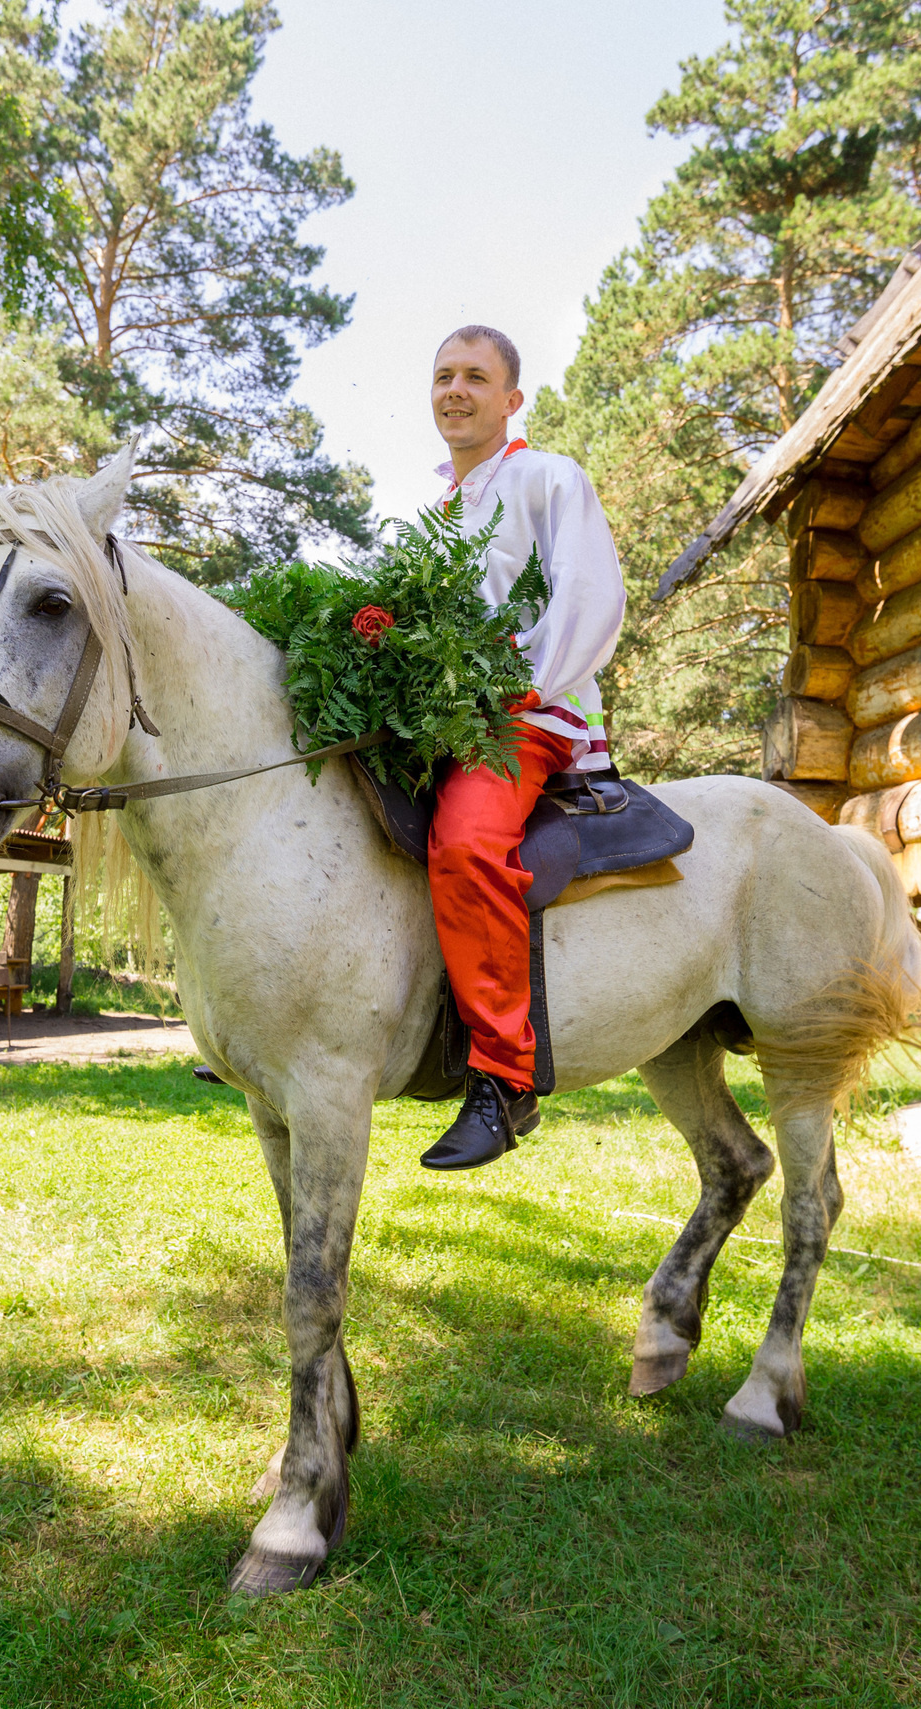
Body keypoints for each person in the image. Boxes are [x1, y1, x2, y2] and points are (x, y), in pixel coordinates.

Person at [415, 324, 625, 1172]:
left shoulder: (548, 478)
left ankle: (504, 1080)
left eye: (475, 376)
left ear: (512, 399)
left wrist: (525, 681)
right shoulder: (434, 511)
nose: (455, 389)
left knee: (466, 842)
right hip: (441, 713)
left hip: (529, 709)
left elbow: (589, 593)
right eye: (442, 377)